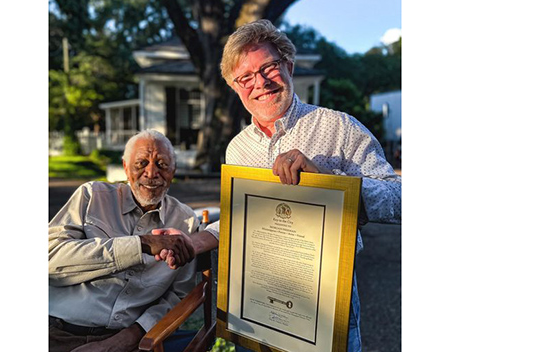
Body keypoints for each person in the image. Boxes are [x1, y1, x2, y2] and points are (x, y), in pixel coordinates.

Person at [154, 19, 401, 352]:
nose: (260, 83)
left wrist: (324, 184)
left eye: (268, 67)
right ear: (234, 86)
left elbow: (398, 199)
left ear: (288, 65)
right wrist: (192, 241)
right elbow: (239, 220)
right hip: (254, 305)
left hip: (322, 309)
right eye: (245, 77)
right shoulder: (237, 148)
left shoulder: (340, 127)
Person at [49, 130, 199, 352]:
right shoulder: (92, 196)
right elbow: (50, 260)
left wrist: (129, 337)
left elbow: (179, 295)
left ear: (173, 171)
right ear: (126, 167)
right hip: (59, 332)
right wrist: (141, 245)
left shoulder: (185, 221)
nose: (151, 173)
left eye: (161, 164)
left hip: (130, 341)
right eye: (141, 163)